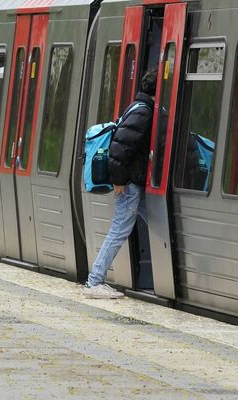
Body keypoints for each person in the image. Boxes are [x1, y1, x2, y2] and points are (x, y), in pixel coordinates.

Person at [83, 70, 157, 299]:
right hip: (130, 184)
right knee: (119, 230)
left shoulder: (138, 107)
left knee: (159, 219)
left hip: (133, 182)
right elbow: (118, 149)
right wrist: (119, 181)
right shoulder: (143, 112)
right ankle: (94, 281)